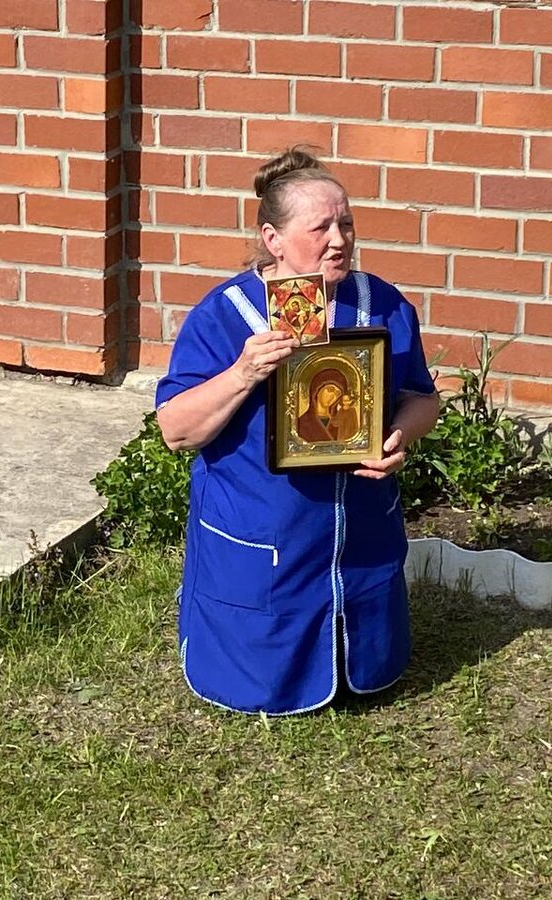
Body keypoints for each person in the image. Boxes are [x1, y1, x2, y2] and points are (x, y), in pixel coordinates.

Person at [155, 148, 441, 715]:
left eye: (346, 224)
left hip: (360, 533)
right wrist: (243, 372)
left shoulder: (380, 304)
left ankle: (360, 659)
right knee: (260, 632)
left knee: (368, 615)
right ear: (274, 239)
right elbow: (177, 431)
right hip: (264, 535)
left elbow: (423, 399)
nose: (339, 240)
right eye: (321, 228)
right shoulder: (225, 314)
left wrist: (397, 437)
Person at [295, 367, 357, 443]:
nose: (333, 396)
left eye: (337, 393)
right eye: (330, 390)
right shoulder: (301, 423)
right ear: (317, 390)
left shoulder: (341, 420)